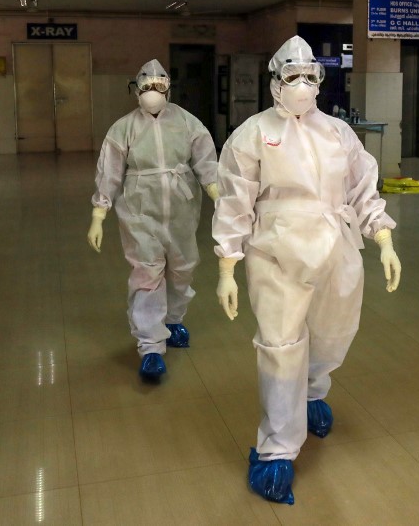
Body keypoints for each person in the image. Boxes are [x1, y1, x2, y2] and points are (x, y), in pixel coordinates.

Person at [212, 35, 402, 505]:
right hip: (275, 251)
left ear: (320, 79)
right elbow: (234, 202)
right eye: (291, 75)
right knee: (281, 344)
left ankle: (313, 393)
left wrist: (383, 238)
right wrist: (227, 264)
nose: (301, 83)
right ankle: (276, 449)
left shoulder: (338, 132)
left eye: (309, 74)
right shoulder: (252, 134)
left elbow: (362, 188)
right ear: (274, 82)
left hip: (337, 245)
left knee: (333, 331)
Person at [87, 59, 218, 381]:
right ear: (136, 90)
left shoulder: (188, 122)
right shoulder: (123, 128)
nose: (153, 92)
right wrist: (99, 213)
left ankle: (173, 320)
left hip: (182, 207)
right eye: (147, 86)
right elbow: (109, 172)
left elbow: (206, 162)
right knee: (147, 272)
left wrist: (219, 195)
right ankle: (150, 347)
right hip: (139, 209)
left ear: (169, 89)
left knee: (182, 268)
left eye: (160, 86)